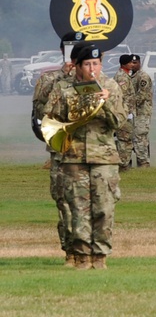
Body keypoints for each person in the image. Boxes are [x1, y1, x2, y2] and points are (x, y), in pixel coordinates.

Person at [41, 44, 127, 270]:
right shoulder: (63, 88)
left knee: (104, 208)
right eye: (87, 64)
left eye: (96, 64)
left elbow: (120, 121)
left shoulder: (111, 86)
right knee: (77, 210)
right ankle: (81, 256)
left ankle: (100, 255)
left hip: (104, 158)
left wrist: (106, 101)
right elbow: (51, 119)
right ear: (77, 66)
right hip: (74, 157)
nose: (92, 69)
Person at [32, 34, 80, 265]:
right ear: (63, 51)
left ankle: (89, 249)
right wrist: (64, 76)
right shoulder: (48, 78)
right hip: (61, 151)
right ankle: (69, 249)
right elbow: (40, 114)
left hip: (88, 151)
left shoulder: (97, 79)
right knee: (63, 201)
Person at [113, 54, 137, 170]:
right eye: (130, 63)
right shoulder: (122, 77)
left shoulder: (126, 75)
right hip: (124, 113)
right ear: (124, 64)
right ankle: (123, 165)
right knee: (125, 139)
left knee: (126, 139)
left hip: (126, 112)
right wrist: (126, 112)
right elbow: (122, 96)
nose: (133, 64)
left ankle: (124, 163)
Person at [130, 54, 154, 167]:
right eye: (131, 63)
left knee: (140, 137)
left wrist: (128, 105)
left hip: (142, 112)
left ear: (139, 63)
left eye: (135, 63)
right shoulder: (133, 76)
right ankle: (141, 162)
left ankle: (144, 163)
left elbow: (142, 95)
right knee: (137, 137)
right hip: (135, 112)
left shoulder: (143, 77)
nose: (133, 65)